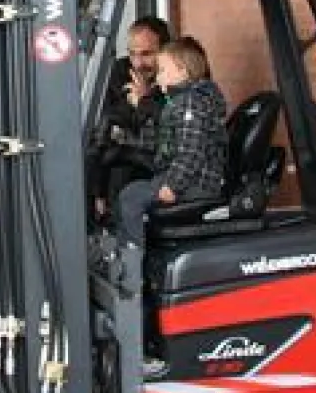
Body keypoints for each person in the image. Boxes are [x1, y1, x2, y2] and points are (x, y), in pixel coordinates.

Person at [114, 35, 229, 248]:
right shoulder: (177, 103)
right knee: (131, 190)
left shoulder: (191, 104)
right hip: (183, 179)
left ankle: (132, 264)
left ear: (183, 72)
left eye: (163, 71)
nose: (158, 77)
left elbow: (191, 152)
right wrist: (124, 139)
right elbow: (163, 142)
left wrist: (173, 186)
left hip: (195, 185)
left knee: (131, 197)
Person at [89, 16, 172, 219]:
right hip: (127, 152)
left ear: (165, 50)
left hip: (164, 159)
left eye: (146, 54)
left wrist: (144, 99)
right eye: (133, 54)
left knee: (123, 167)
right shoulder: (119, 72)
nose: (138, 63)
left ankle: (126, 242)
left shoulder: (178, 74)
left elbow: (170, 122)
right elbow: (110, 119)